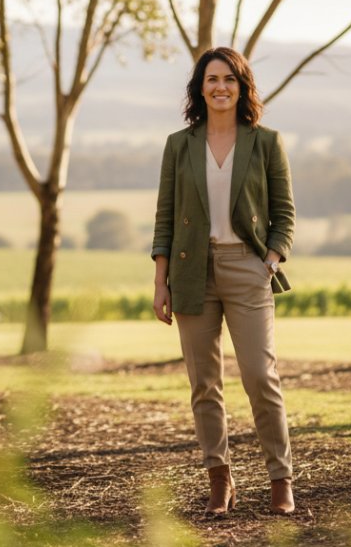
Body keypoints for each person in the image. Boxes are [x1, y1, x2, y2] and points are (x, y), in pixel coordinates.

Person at [150, 46, 296, 516]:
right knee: (204, 385)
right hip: (190, 271)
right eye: (212, 79)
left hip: (247, 268)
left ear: (242, 86)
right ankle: (220, 480)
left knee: (260, 376)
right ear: (200, 87)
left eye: (229, 79)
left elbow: (284, 214)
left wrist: (268, 261)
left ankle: (280, 480)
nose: (220, 87)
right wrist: (161, 282)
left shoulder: (266, 142)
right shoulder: (179, 145)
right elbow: (165, 218)